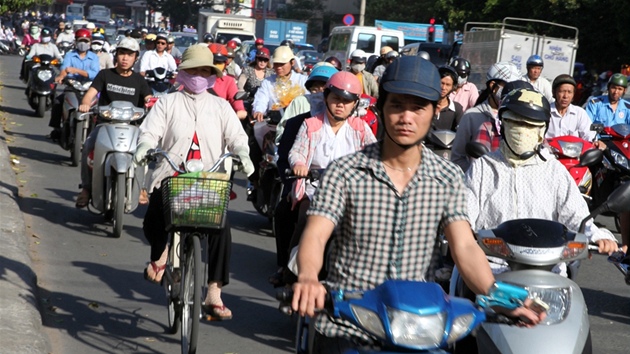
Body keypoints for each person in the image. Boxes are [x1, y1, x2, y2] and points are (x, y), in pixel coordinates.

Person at [290, 56, 545, 352]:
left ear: (434, 111)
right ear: (381, 109)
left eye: (418, 107)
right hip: (350, 322)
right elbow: (316, 233)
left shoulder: (447, 176)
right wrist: (308, 278)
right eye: (397, 105)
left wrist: (501, 297)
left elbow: (463, 246)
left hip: (418, 326)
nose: (406, 117)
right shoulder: (344, 171)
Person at [133, 44, 255, 320]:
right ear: (183, 73)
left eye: (204, 70)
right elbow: (150, 132)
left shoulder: (221, 106)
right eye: (194, 70)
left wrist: (243, 152)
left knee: (221, 225)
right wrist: (145, 146)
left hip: (208, 178)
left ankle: (214, 291)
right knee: (154, 214)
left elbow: (236, 136)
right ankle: (161, 253)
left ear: (212, 75)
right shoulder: (167, 103)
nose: (199, 75)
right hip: (171, 175)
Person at [465, 88, 619, 277]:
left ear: (542, 131)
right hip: (490, 269)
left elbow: (576, 217)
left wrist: (600, 236)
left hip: (546, 270)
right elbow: (465, 217)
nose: (521, 130)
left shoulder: (554, 171)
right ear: (503, 125)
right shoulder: (483, 167)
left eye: (529, 125)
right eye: (513, 122)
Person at [269, 63, 339, 286]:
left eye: (326, 90)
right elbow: (286, 157)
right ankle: (286, 267)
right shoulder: (300, 123)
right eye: (316, 89)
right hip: (308, 187)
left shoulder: (357, 127)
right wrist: (293, 186)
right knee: (285, 212)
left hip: (344, 192)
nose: (320, 94)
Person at [75, 38, 153, 208]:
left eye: (130, 55)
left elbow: (148, 98)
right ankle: (86, 189)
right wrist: (85, 103)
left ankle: (141, 187)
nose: (125, 58)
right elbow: (91, 93)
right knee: (88, 146)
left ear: (136, 58)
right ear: (116, 55)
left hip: (132, 127)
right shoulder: (105, 75)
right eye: (122, 53)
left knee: (145, 153)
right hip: (105, 125)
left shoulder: (139, 81)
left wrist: (153, 104)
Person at [585, 72, 630, 255]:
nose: (616, 92)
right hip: (600, 146)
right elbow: (587, 126)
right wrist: (597, 141)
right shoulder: (595, 103)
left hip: (620, 149)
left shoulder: (627, 107)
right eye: (613, 88)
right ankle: (586, 197)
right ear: (608, 87)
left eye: (620, 89)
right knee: (588, 164)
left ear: (624, 91)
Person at [450, 61, 521, 172]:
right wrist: (478, 175)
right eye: (507, 87)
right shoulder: (471, 117)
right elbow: (457, 158)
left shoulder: (517, 117)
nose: (511, 92)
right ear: (493, 86)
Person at [48, 28, 100, 140]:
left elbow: (94, 73)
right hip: (72, 87)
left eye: (86, 41)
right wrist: (61, 76)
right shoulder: (70, 55)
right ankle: (56, 129)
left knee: (98, 109)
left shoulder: (94, 57)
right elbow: (64, 68)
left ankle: (97, 133)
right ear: (76, 41)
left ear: (90, 42)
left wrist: (76, 71)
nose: (83, 44)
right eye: (81, 40)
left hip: (89, 88)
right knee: (58, 101)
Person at [276, 63, 338, 143]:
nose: (319, 93)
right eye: (315, 89)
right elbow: (282, 131)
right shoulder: (300, 102)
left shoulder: (339, 107)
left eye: (324, 90)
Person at [546, 74, 596, 140]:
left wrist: (595, 142)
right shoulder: (545, 111)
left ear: (573, 95)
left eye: (569, 92)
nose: (565, 96)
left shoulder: (580, 113)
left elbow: (589, 136)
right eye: (562, 91)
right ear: (554, 92)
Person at [208, 43, 247, 120]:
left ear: (225, 63)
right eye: (214, 61)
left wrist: (240, 110)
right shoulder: (196, 78)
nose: (216, 65)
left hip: (220, 120)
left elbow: (235, 99)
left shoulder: (228, 81)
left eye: (220, 62)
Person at [434, 65, 463, 131]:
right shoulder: (427, 105)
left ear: (453, 87)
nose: (443, 88)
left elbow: (461, 131)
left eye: (448, 85)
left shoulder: (457, 109)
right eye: (442, 83)